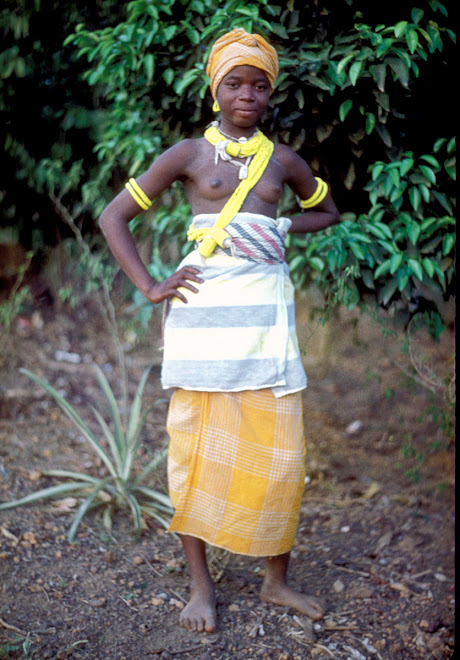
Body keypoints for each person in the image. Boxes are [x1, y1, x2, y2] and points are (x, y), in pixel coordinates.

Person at [99, 28, 340, 633]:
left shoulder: (282, 161)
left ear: (269, 95)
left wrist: (280, 227)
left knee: (282, 455)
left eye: (259, 86)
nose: (247, 95)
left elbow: (327, 209)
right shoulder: (187, 156)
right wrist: (151, 285)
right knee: (197, 453)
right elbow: (114, 216)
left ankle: (275, 580)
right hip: (202, 324)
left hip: (265, 328)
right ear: (215, 91)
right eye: (234, 83)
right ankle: (201, 587)